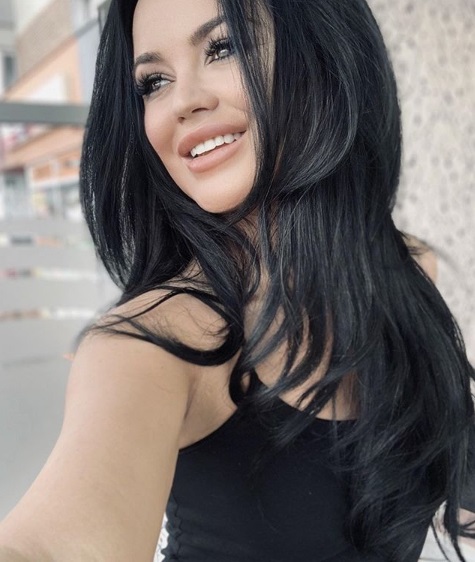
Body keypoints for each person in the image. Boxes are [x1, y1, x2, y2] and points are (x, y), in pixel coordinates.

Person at [0, 0, 474, 560]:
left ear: (324, 56)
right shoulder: (146, 347)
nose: (183, 101)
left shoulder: (408, 269)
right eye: (153, 82)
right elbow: (48, 546)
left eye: (224, 47)